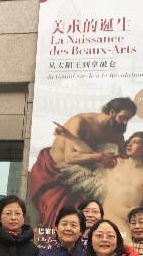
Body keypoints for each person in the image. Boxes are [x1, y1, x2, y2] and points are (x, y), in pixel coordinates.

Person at [30, 98, 137, 234]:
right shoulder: (80, 122)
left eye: (128, 119)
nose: (125, 122)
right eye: (122, 117)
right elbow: (70, 158)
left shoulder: (116, 134)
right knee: (58, 222)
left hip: (82, 180)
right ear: (112, 112)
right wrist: (99, 156)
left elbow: (128, 158)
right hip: (53, 175)